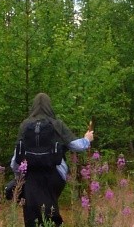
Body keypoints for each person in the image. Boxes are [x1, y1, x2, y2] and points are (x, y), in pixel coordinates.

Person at [10, 92, 94, 227]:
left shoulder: (25, 125)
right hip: (54, 175)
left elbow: (16, 156)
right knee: (50, 208)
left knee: (31, 212)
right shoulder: (56, 124)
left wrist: (18, 176)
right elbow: (76, 146)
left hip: (30, 175)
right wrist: (87, 139)